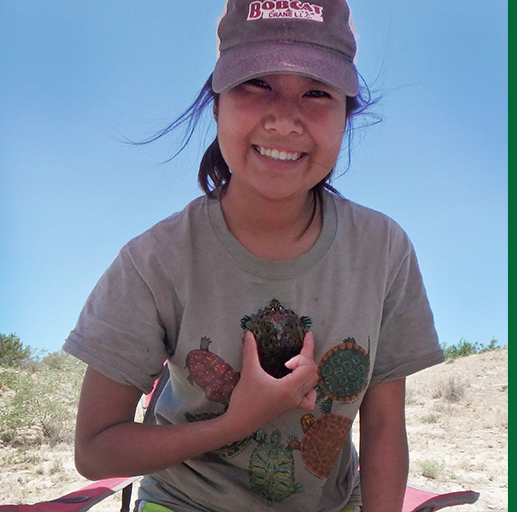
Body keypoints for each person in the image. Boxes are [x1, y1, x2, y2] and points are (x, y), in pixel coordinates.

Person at [63, 1, 445, 511]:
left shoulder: (384, 250)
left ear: (346, 116)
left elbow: (382, 428)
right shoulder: (153, 261)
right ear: (216, 103)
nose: (285, 120)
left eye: (316, 92)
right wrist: (237, 422)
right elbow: (95, 451)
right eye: (256, 83)